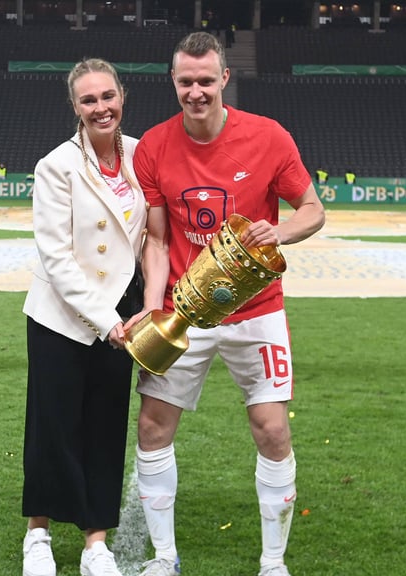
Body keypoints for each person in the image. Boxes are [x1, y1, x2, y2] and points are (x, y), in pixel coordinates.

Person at [127, 31, 325, 576]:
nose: (196, 91)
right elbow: (157, 240)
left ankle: (273, 563)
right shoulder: (153, 146)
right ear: (173, 81)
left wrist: (278, 233)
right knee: (153, 427)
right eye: (186, 81)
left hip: (257, 310)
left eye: (206, 81)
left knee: (272, 429)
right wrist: (153, 307)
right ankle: (164, 558)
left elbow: (313, 210)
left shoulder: (268, 137)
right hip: (184, 312)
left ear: (224, 79)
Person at [20, 58, 147, 576]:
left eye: (107, 96)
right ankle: (38, 535)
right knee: (52, 425)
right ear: (74, 106)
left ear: (122, 96)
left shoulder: (143, 154)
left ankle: (96, 544)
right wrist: (105, 319)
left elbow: (150, 238)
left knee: (105, 425)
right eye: (88, 99)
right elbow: (57, 257)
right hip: (62, 316)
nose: (101, 108)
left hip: (124, 315)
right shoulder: (56, 165)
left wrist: (138, 310)